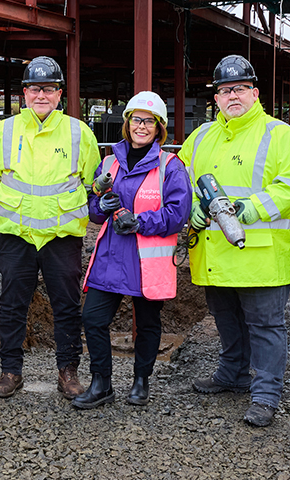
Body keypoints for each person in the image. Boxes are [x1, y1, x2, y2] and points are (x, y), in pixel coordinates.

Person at [178, 55, 290, 427]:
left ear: (254, 93)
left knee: (265, 326)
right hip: (215, 253)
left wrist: (251, 209)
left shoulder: (279, 135)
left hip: (261, 255)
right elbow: (180, 179)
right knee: (226, 318)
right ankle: (232, 373)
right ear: (216, 99)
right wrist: (191, 207)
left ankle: (266, 394)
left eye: (239, 88)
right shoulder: (201, 136)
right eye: (224, 90)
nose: (232, 95)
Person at [0, 56, 101, 399]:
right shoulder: (4, 132)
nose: (41, 95)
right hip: (16, 234)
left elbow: (92, 183)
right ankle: (10, 371)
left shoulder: (79, 133)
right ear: (24, 93)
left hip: (62, 237)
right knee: (12, 304)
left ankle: (68, 372)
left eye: (49, 88)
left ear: (59, 93)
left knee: (65, 305)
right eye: (35, 89)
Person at [73, 91, 189, 409]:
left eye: (148, 121)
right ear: (127, 123)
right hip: (111, 255)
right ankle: (101, 384)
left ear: (159, 127)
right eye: (136, 119)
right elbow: (96, 211)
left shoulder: (170, 166)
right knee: (93, 318)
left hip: (145, 260)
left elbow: (177, 214)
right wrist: (101, 205)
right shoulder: (110, 160)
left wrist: (140, 222)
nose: (141, 126)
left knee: (148, 324)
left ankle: (141, 381)